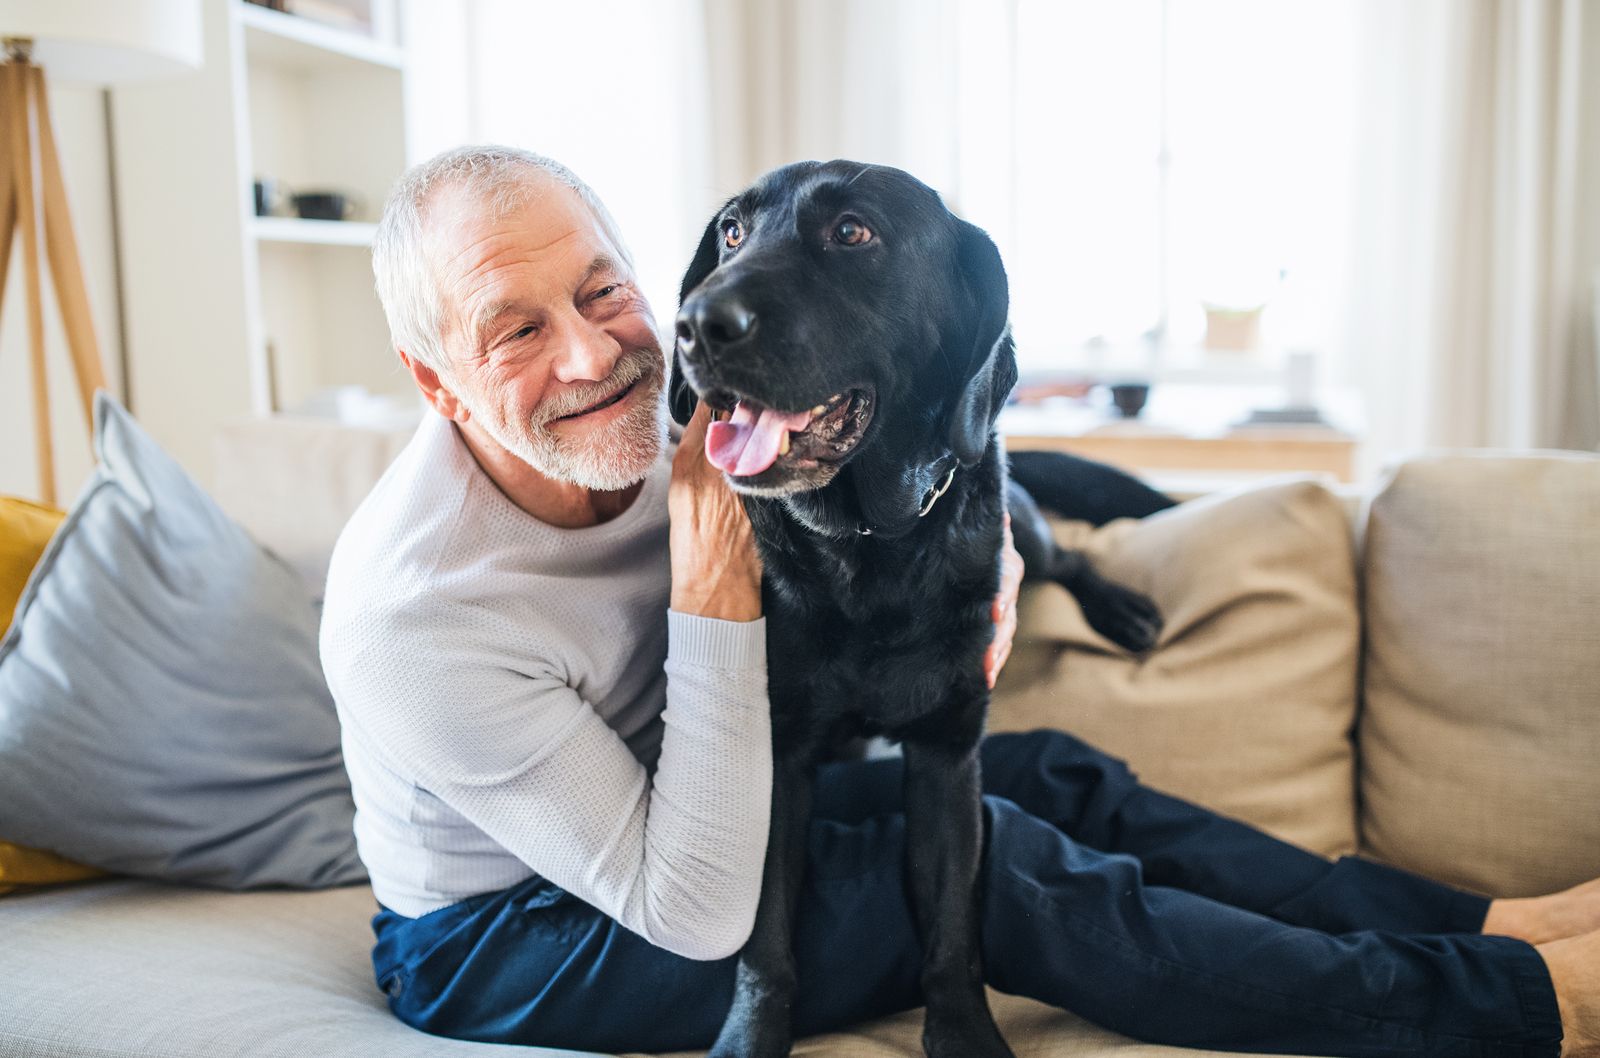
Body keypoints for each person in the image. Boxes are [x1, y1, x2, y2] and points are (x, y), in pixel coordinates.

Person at [319, 145, 1600, 1058]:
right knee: (1005, 878)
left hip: (703, 801)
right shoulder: (414, 616)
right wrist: (716, 590)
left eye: (603, 291)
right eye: (514, 330)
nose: (593, 356)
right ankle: (1512, 999)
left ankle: (1480, 912)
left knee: (1049, 776)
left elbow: (918, 452)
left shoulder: (688, 408)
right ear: (438, 384)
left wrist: (982, 559)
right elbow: (692, 905)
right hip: (530, 929)